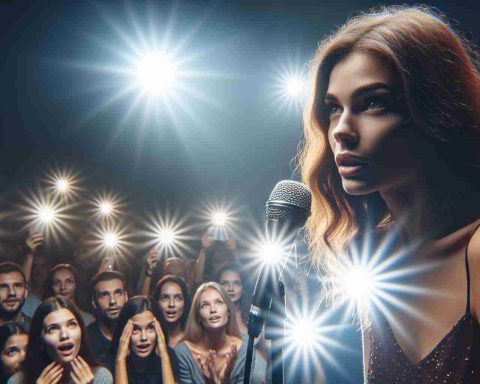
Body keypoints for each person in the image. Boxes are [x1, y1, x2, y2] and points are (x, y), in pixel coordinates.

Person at [300, 5, 480, 383]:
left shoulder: (475, 253)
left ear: (434, 111)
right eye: (333, 108)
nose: (341, 130)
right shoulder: (368, 250)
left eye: (373, 102)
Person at [174, 282, 266, 384]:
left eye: (219, 302)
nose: (213, 310)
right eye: (205, 305)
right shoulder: (183, 353)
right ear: (198, 316)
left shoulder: (245, 350)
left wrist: (225, 381)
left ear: (228, 311)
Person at [7, 296, 112, 383]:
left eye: (71, 324)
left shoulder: (100, 377)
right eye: (53, 329)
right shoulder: (17, 381)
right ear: (40, 341)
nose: (64, 335)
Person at [112, 296, 178, 384]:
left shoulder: (169, 356)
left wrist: (164, 358)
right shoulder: (109, 360)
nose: (144, 337)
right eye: (135, 329)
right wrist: (120, 360)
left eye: (150, 328)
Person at [87, 271, 128, 371]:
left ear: (126, 297)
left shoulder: (138, 333)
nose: (112, 301)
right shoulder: (86, 339)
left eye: (118, 293)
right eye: (104, 295)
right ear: (94, 302)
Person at [153, 275, 191, 347]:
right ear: (157, 302)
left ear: (185, 302)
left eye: (178, 298)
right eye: (165, 298)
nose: (171, 304)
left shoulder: (193, 338)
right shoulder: (149, 338)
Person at [213, 263, 248, 335]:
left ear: (243, 288)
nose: (230, 289)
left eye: (236, 283)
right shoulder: (212, 314)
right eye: (225, 283)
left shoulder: (253, 316)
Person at [0, 262, 30, 331]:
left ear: (26, 291)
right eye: (3, 287)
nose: (12, 293)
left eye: (17, 286)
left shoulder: (38, 329)